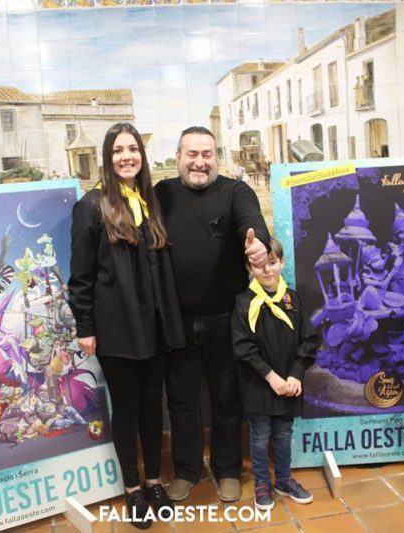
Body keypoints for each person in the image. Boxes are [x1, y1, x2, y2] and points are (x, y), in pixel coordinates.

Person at [68, 123, 185, 529]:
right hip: (116, 327)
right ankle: (132, 488)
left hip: (155, 325)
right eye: (118, 150)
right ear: (108, 157)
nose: (126, 156)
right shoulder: (91, 206)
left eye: (132, 149)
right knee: (127, 409)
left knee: (154, 406)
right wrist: (85, 327)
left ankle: (154, 480)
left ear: (141, 155)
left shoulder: (150, 203)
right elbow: (81, 276)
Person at [155, 126, 270, 502]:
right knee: (181, 400)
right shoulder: (160, 194)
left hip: (226, 318)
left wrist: (258, 245)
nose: (200, 162)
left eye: (207, 154)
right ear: (178, 158)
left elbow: (251, 223)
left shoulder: (235, 191)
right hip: (176, 323)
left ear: (216, 157)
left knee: (226, 397)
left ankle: (228, 469)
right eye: (192, 154)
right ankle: (186, 470)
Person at [231, 238, 316, 510]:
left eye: (272, 262)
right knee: (259, 435)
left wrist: (295, 374)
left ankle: (284, 479)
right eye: (259, 265)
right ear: (249, 268)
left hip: (288, 383)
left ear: (282, 262)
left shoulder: (294, 300)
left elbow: (308, 341)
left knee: (283, 433)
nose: (267, 270)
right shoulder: (244, 303)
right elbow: (243, 348)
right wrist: (271, 377)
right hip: (258, 384)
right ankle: (261, 482)